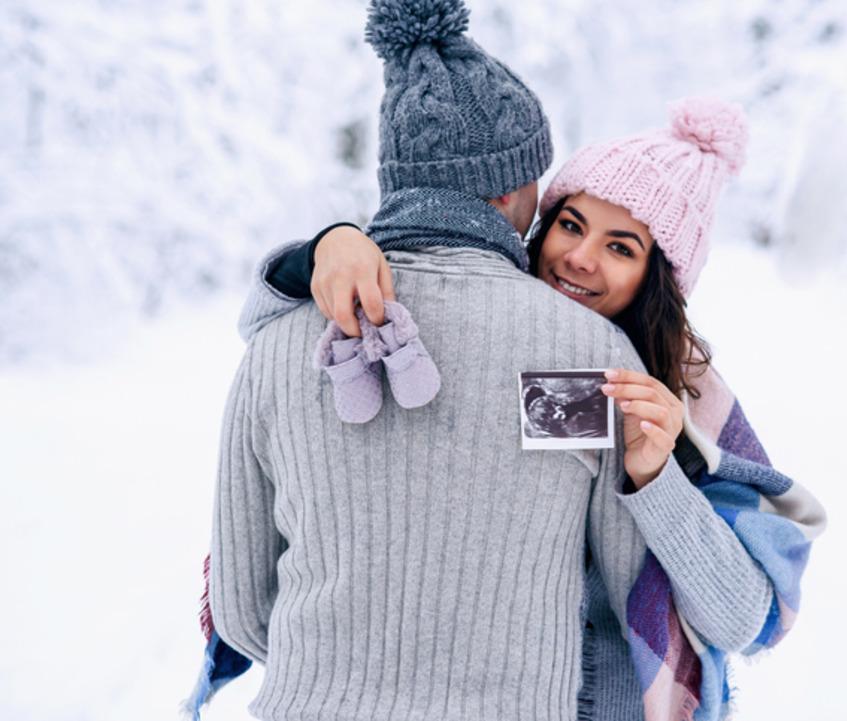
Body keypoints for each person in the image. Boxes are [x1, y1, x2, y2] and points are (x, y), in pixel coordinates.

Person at [184, 2, 794, 721]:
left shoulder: (284, 338)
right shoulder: (574, 365)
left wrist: (658, 476)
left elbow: (246, 609)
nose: (577, 257)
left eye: (621, 247)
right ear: (519, 196)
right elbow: (626, 579)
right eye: (567, 222)